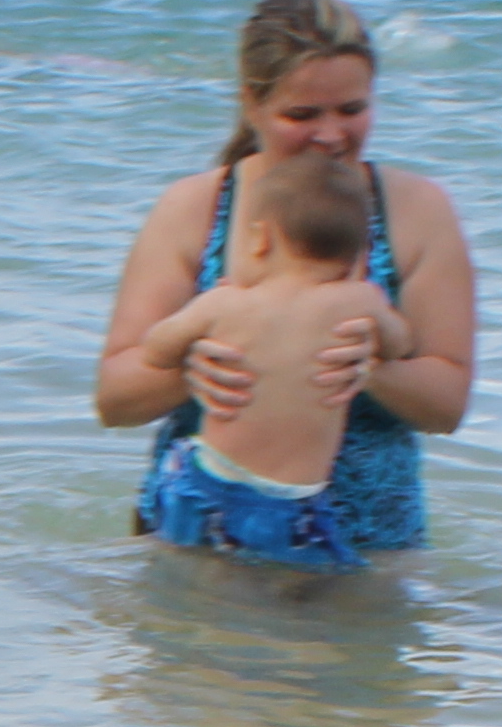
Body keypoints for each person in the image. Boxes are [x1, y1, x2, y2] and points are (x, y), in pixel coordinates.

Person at [91, 0, 480, 554]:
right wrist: (191, 368)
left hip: (367, 545)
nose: (330, 135)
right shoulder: (196, 208)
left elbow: (447, 404)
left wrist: (370, 370)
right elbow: (114, 399)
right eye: (302, 114)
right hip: (199, 538)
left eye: (352, 110)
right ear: (252, 103)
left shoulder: (417, 211)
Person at [115, 150, 407, 568]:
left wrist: (196, 341)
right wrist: (376, 341)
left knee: (189, 577)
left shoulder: (226, 302)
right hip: (294, 504)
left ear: (261, 239)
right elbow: (400, 345)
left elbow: (157, 349)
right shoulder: (363, 302)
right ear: (362, 253)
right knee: (292, 594)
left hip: (207, 481)